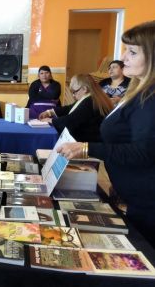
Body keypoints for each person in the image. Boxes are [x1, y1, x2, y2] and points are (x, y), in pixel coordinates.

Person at [57, 21, 155, 248]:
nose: (123, 57)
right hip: (133, 193)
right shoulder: (137, 90)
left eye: (132, 52)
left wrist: (86, 148)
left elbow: (144, 151)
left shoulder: (150, 99)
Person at [39, 74, 113, 142]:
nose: (73, 96)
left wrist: (51, 120)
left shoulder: (89, 102)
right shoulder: (91, 98)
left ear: (84, 89)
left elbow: (70, 121)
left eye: (74, 92)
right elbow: (69, 108)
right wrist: (50, 112)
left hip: (88, 142)